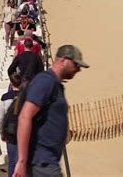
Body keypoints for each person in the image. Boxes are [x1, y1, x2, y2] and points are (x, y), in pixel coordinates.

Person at [13, 45, 89, 177]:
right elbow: (25, 117)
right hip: (42, 163)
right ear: (64, 60)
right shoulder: (45, 81)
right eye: (76, 64)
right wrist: (22, 161)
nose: (78, 69)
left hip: (47, 162)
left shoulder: (54, 84)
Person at [0, 73, 22, 177]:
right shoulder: (27, 95)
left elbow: (1, 117)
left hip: (10, 132)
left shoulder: (5, 97)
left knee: (12, 161)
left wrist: (2, 132)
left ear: (11, 84)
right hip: (24, 132)